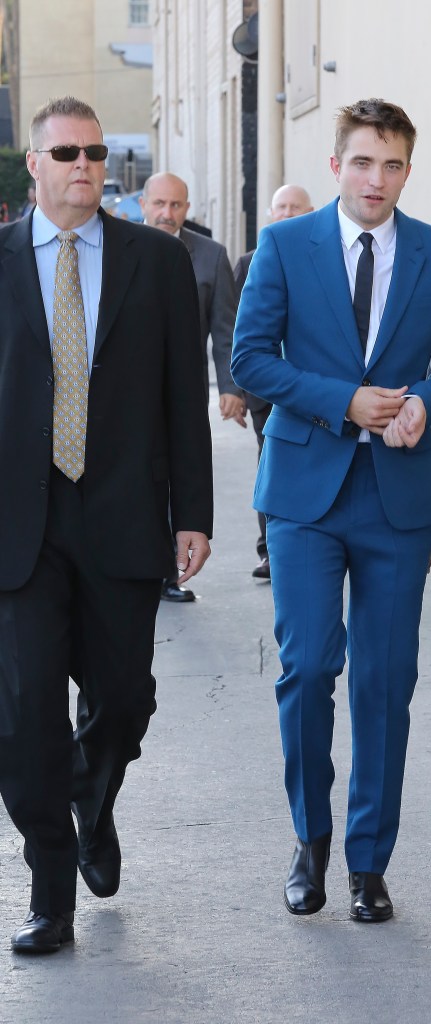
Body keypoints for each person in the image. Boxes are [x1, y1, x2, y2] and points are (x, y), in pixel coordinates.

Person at [231, 98, 431, 922]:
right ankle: (310, 839)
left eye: (393, 164)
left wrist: (425, 403)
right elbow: (249, 359)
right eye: (364, 162)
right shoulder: (284, 245)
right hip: (304, 493)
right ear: (336, 165)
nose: (377, 179)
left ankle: (369, 863)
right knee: (307, 668)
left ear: (407, 171)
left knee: (385, 681)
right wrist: (343, 401)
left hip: (396, 498)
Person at [0, 95, 213, 954]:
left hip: (122, 513)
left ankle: (92, 794)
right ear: (35, 166)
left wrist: (192, 514)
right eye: (66, 153)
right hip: (19, 525)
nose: (84, 165)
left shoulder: (154, 261)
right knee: (25, 720)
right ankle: (50, 890)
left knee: (123, 699)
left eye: (94, 152)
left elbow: (183, 395)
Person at [139, 172, 239, 602]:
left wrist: (231, 387)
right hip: (126, 392)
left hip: (184, 391)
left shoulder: (211, 256)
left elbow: (226, 330)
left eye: (176, 205)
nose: (167, 213)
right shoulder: (118, 249)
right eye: (159, 204)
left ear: (187, 208)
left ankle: (167, 572)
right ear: (143, 205)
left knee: (175, 476)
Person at [233, 184, 314, 581]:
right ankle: (270, 550)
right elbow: (235, 330)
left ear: (310, 213)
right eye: (280, 207)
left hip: (316, 391)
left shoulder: (323, 261)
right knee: (272, 467)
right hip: (265, 394)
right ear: (269, 213)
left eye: (295, 207)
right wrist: (236, 392)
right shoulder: (250, 261)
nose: (286, 213)